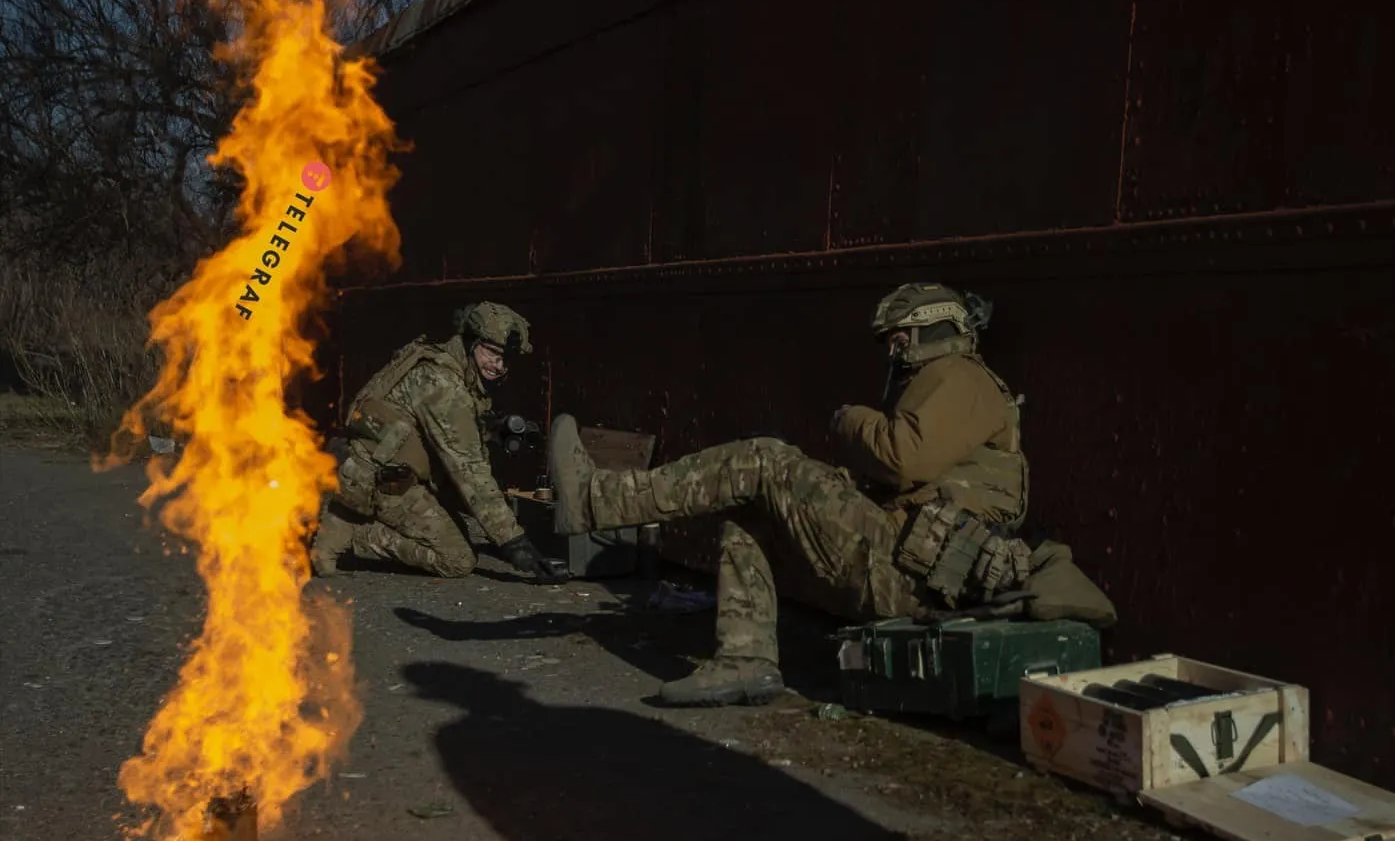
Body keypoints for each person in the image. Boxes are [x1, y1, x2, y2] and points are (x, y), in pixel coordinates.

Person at [543, 282, 1116, 708]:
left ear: (925, 334)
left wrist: (850, 421)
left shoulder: (958, 375)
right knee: (751, 512)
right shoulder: (952, 386)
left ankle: (596, 499)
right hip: (907, 571)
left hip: (907, 573)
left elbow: (901, 456)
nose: (892, 354)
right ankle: (744, 662)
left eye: (897, 341)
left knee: (762, 458)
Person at [309, 301, 543, 580]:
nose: (499, 366)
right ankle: (355, 535)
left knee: (460, 532)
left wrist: (491, 429)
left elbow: (444, 428)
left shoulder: (443, 366)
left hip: (377, 470)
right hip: (385, 484)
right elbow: (470, 470)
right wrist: (514, 543)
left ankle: (340, 521)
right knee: (458, 559)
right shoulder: (442, 386)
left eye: (506, 360)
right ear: (471, 342)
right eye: (492, 353)